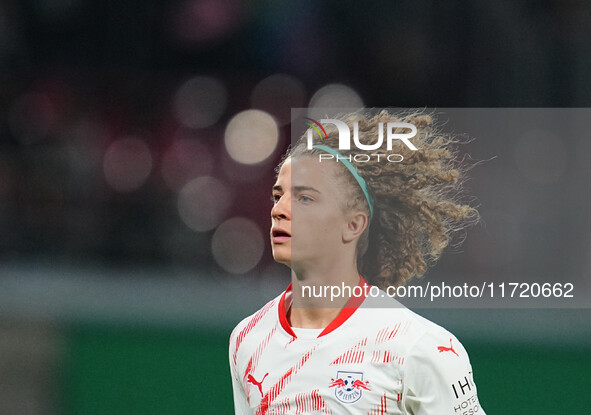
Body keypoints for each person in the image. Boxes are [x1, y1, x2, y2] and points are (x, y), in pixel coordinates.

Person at [229, 110, 486, 414]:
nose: (279, 210)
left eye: (305, 198)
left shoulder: (420, 348)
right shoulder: (247, 339)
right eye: (277, 195)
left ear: (354, 224)